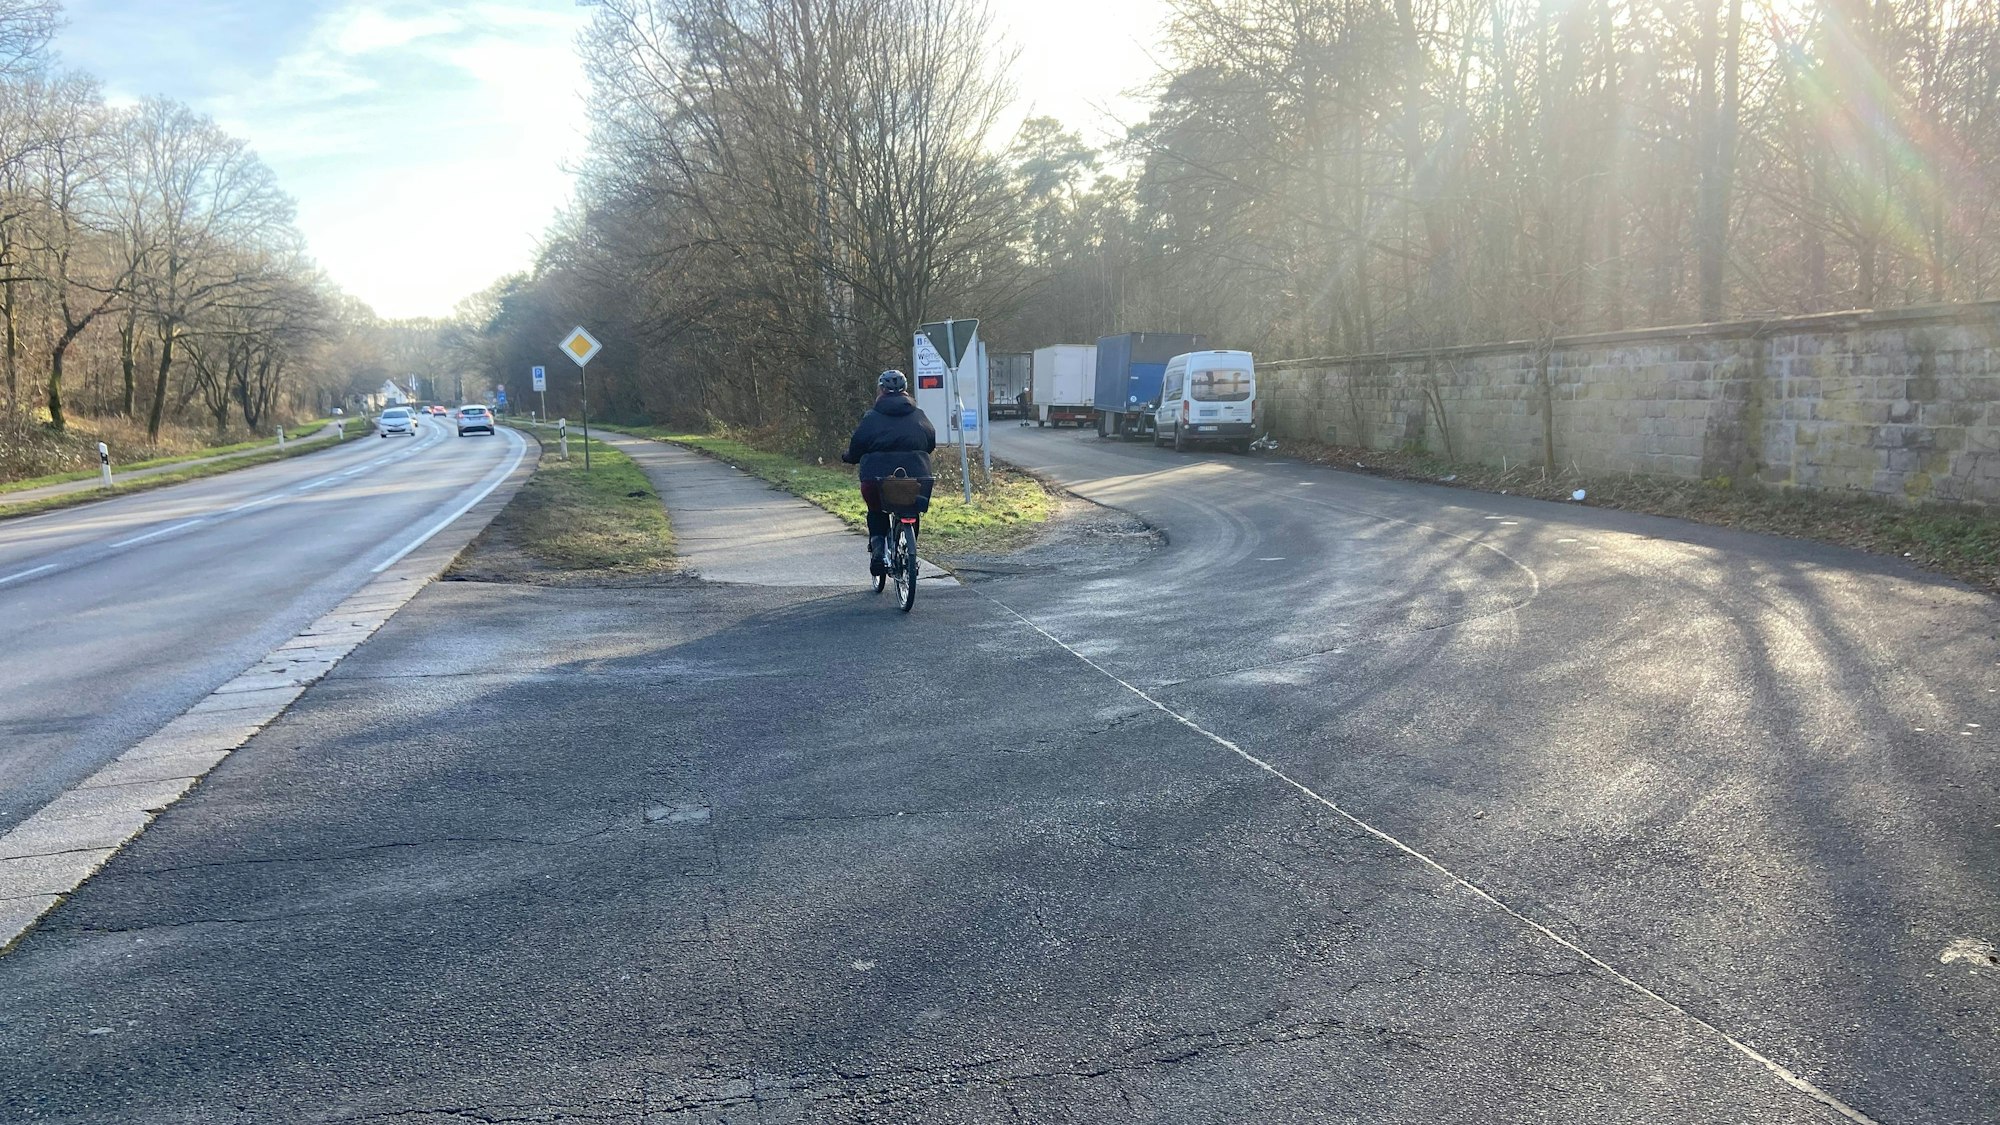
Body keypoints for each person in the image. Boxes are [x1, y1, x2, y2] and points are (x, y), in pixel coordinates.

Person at [841, 370, 937, 575]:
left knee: (876, 510)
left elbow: (857, 447)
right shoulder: (919, 415)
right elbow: (930, 443)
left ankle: (878, 550)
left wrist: (848, 457)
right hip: (916, 477)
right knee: (911, 508)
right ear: (906, 390)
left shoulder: (872, 418)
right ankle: (910, 553)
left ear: (881, 390)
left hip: (876, 479)